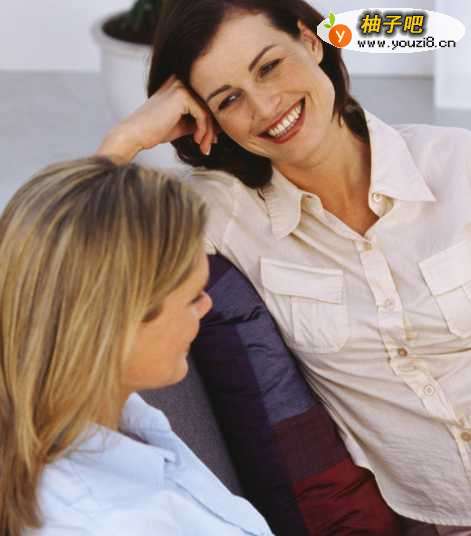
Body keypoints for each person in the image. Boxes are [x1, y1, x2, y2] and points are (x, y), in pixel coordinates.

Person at [97, 0, 471, 533]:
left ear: (311, 41)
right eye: (229, 99)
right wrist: (126, 140)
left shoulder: (458, 163)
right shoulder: (222, 214)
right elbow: (54, 262)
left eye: (269, 66)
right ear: (210, 121)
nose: (265, 106)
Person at [0, 156, 274, 536]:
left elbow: (69, 253)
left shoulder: (117, 416)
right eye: (193, 297)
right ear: (118, 325)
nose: (207, 306)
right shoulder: (97, 523)